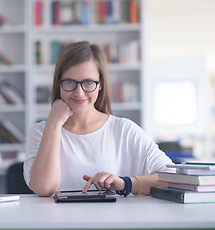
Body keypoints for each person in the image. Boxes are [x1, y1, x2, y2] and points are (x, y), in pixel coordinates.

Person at [24, 41, 173, 197]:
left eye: (88, 83)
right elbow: (44, 188)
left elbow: (174, 180)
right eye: (69, 82)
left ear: (100, 84)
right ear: (59, 84)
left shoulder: (124, 130)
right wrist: (54, 124)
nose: (79, 93)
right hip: (58, 221)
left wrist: (125, 183)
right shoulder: (40, 132)